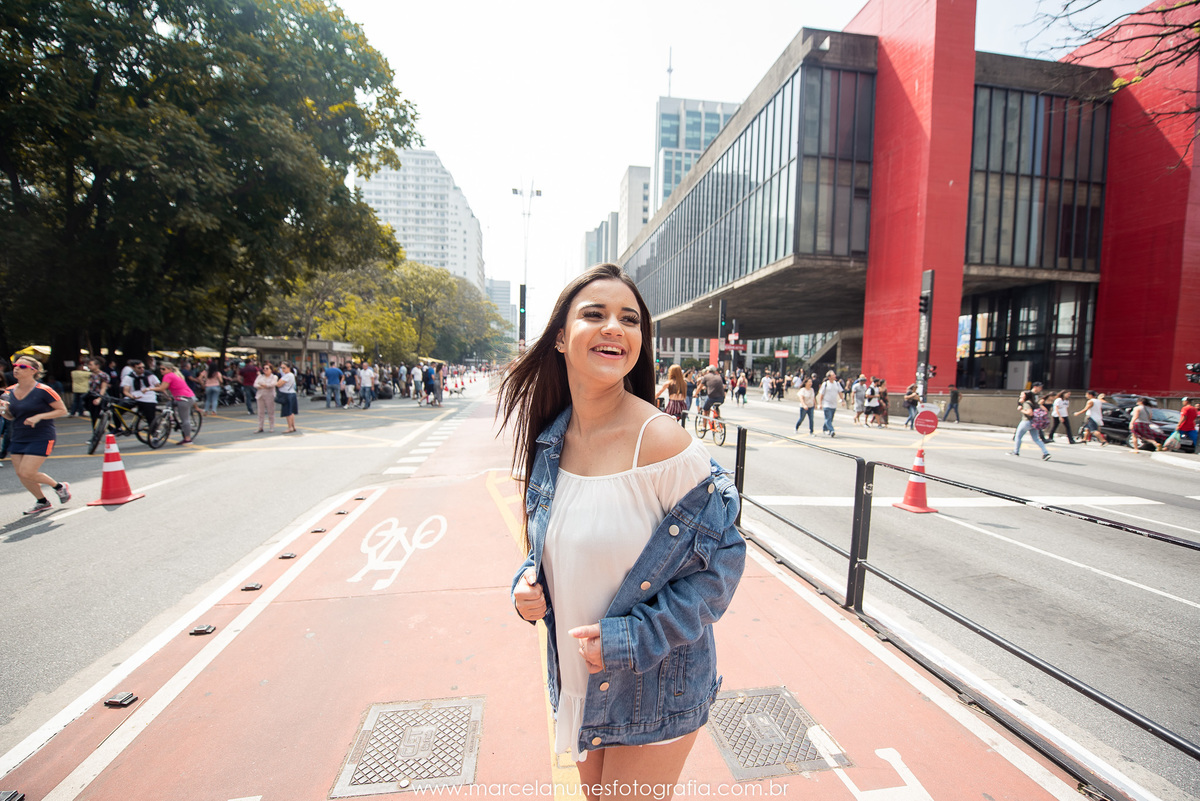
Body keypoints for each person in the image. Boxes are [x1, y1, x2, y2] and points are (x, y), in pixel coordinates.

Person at [499, 263, 744, 795]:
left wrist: (630, 638)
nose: (614, 327)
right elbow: (552, 550)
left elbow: (722, 567)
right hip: (578, 680)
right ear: (560, 337)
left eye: (629, 319)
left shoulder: (663, 442)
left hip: (653, 686)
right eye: (595, 314)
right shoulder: (551, 441)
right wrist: (526, 586)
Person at [1, 356, 71, 514]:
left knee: (27, 472)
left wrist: (39, 416)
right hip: (19, 436)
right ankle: (42, 501)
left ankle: (59, 486)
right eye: (15, 365)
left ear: (34, 371)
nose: (16, 368)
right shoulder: (9, 391)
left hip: (42, 435)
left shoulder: (44, 390)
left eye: (22, 366)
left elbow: (62, 410)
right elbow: (10, 416)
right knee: (21, 474)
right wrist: (3, 411)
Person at [154, 362, 197, 444]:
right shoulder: (173, 374)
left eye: (163, 369)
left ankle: (188, 439)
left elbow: (162, 388)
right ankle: (171, 419)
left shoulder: (168, 375)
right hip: (182, 397)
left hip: (185, 398)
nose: (161, 370)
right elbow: (164, 389)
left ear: (169, 369)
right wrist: (168, 396)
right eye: (160, 369)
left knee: (185, 419)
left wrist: (148, 389)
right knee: (168, 405)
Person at [1009, 389, 1051, 460]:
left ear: (1026, 396)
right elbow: (1045, 410)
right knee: (1036, 439)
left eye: (1022, 395)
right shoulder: (1035, 403)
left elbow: (1030, 413)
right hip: (1035, 422)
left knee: (1018, 437)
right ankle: (1046, 453)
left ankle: (1016, 451)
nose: (1020, 396)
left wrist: (1021, 410)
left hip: (1026, 421)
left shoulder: (1026, 403)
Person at [121, 360, 160, 429]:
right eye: (139, 368)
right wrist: (132, 396)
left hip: (148, 398)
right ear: (133, 368)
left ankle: (153, 432)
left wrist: (149, 389)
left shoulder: (150, 375)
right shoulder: (129, 377)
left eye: (143, 367)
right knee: (117, 409)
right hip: (134, 397)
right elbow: (125, 391)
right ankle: (118, 428)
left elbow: (159, 387)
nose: (142, 369)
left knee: (150, 416)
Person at [254, 362, 278, 433]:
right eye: (264, 368)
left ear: (271, 369)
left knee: (271, 412)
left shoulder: (274, 377)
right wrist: (262, 386)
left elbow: (272, 384)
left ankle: (271, 427)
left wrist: (263, 385)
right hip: (260, 395)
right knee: (260, 412)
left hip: (270, 396)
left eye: (267, 368)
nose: (265, 370)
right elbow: (255, 384)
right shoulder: (260, 376)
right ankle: (260, 427)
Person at [817, 370, 842, 437]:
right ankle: (832, 430)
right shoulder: (825, 384)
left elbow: (840, 392)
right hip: (826, 404)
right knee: (828, 418)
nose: (835, 376)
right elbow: (821, 394)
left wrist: (842, 400)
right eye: (833, 375)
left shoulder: (837, 384)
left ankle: (825, 429)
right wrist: (820, 404)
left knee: (830, 419)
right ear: (829, 377)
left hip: (834, 404)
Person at [278, 361, 299, 433]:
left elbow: (278, 384)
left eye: (284, 368)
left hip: (287, 394)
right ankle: (292, 426)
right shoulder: (290, 375)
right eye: (281, 368)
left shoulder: (288, 375)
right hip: (291, 393)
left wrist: (278, 381)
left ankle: (290, 427)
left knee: (288, 412)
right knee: (291, 411)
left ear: (288, 368)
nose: (282, 370)